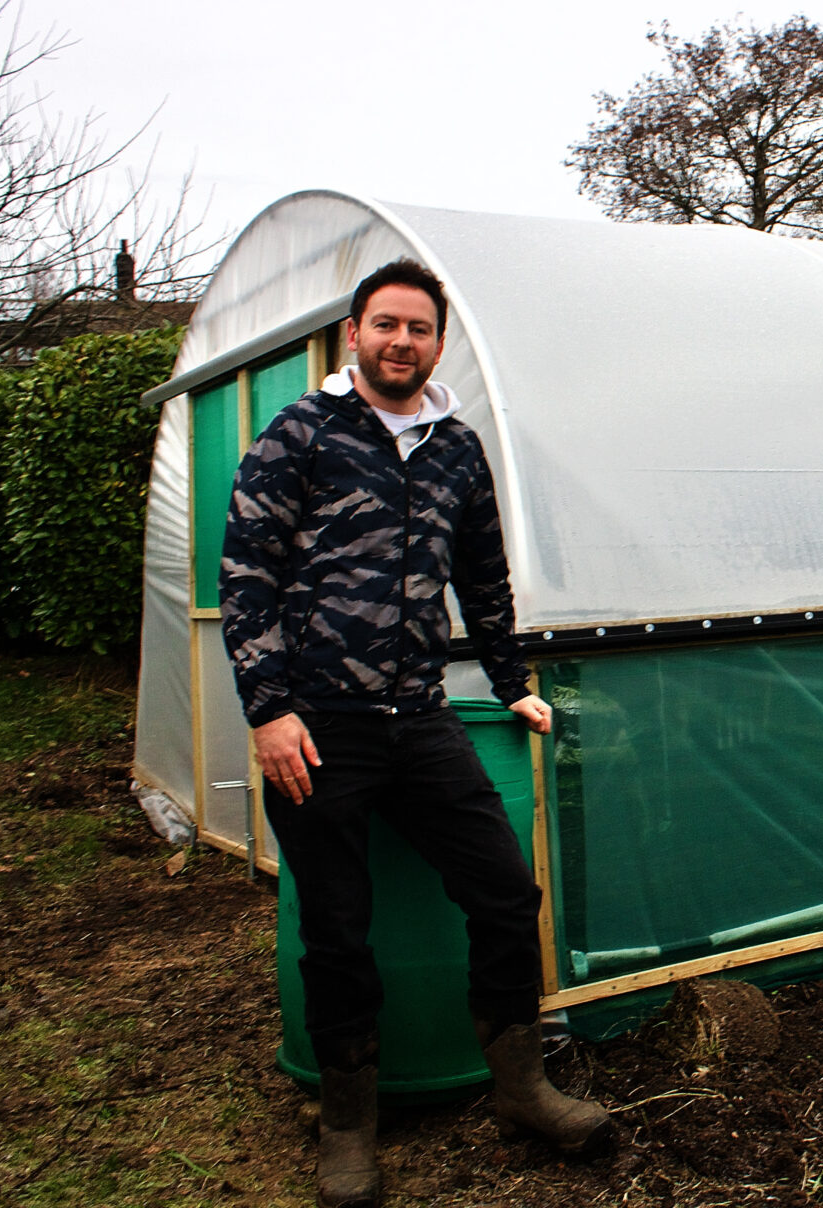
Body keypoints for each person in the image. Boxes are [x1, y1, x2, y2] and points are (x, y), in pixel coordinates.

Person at [220, 259, 612, 1208]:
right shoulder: (301, 434)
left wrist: (512, 683)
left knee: (505, 893)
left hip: (419, 717)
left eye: (420, 329)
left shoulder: (456, 447)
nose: (402, 341)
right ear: (353, 335)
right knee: (339, 930)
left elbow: (483, 575)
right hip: (317, 727)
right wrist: (269, 710)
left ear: (439, 343)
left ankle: (521, 1087)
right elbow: (246, 574)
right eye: (385, 325)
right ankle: (348, 1125)